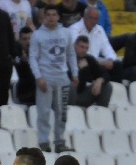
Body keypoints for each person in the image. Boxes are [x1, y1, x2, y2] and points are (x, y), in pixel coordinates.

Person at [30, 5, 78, 153]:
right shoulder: (37, 35)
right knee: (43, 111)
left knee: (61, 111)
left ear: (58, 17)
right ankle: (44, 141)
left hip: (62, 77)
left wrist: (75, 73)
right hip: (45, 77)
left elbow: (71, 54)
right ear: (43, 17)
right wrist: (39, 77)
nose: (51, 17)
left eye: (54, 14)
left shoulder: (66, 33)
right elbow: (33, 58)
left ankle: (59, 141)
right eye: (48, 15)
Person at [69, 6, 121, 82]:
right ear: (85, 17)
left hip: (97, 65)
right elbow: (81, 53)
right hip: (82, 64)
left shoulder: (99, 29)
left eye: (96, 19)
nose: (93, 21)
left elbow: (107, 48)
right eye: (91, 18)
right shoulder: (74, 29)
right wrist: (102, 62)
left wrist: (110, 59)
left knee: (117, 65)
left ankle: (116, 91)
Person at [69, 35, 112, 108]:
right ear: (75, 46)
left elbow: (106, 75)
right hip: (69, 95)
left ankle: (101, 112)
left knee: (107, 86)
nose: (84, 50)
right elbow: (77, 86)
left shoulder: (89, 59)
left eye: (86, 48)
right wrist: (82, 70)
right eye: (81, 47)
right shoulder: (67, 58)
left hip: (82, 95)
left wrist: (100, 80)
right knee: (70, 87)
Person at [12, 26, 36, 105]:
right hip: (25, 93)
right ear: (20, 40)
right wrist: (24, 61)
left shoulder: (39, 55)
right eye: (25, 39)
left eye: (30, 38)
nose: (28, 42)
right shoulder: (16, 55)